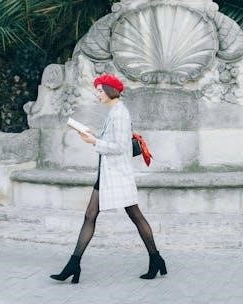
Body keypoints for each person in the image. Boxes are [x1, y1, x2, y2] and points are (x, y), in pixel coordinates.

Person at [50, 73, 167, 284]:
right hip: (107, 174)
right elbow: (114, 141)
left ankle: (156, 259)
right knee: (90, 214)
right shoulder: (114, 111)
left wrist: (94, 142)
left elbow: (120, 147)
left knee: (135, 216)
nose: (98, 94)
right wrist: (92, 136)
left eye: (100, 90)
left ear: (110, 91)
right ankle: (74, 264)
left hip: (117, 174)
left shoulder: (120, 113)